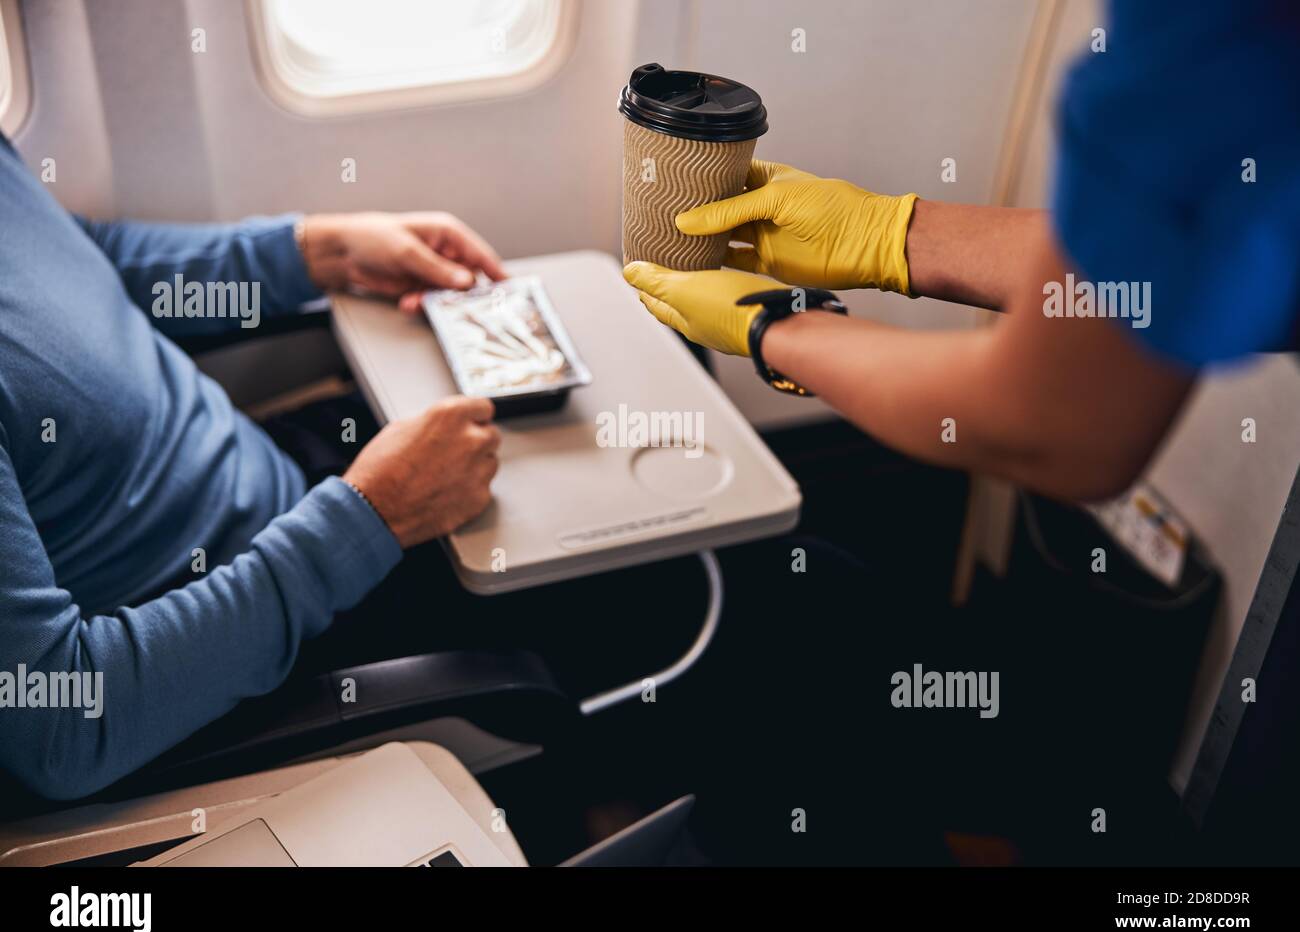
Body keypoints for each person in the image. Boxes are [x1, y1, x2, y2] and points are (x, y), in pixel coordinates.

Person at [0, 128, 511, 799]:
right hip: (240, 643)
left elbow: (86, 266)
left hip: (282, 485)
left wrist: (314, 252)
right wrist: (371, 519)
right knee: (613, 596)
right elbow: (64, 724)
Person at [623, 0, 1299, 502]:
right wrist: (888, 234)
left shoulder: (1203, 35)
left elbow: (1056, 428)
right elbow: (1157, 278)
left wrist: (778, 325)